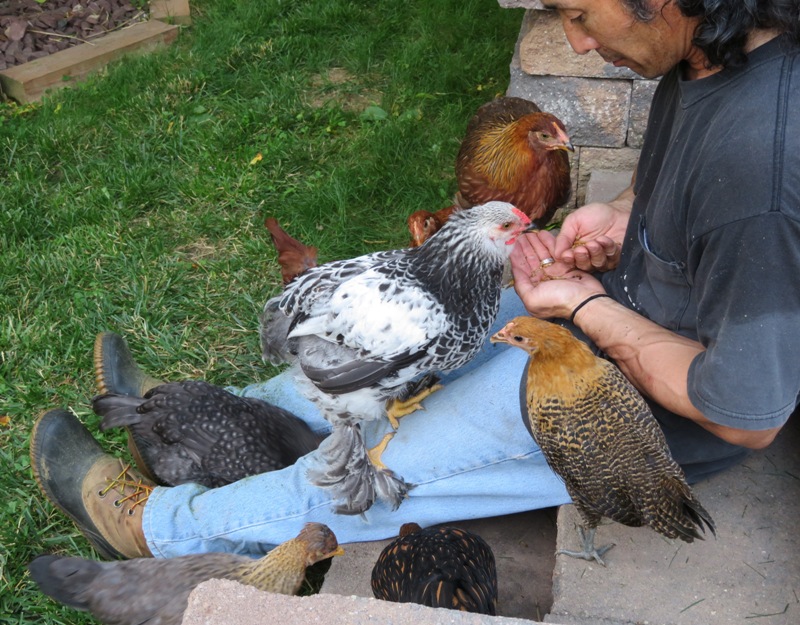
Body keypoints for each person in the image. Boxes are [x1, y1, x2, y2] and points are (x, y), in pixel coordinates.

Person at [31, 0, 800, 562]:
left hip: (624, 409)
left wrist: (590, 308)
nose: (576, 40)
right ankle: (185, 425)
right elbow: (682, 198)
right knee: (396, 337)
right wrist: (625, 216)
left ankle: (159, 526)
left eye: (576, 13)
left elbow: (743, 411)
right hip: (603, 322)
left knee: (383, 458)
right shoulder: (708, 58)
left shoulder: (758, 167)